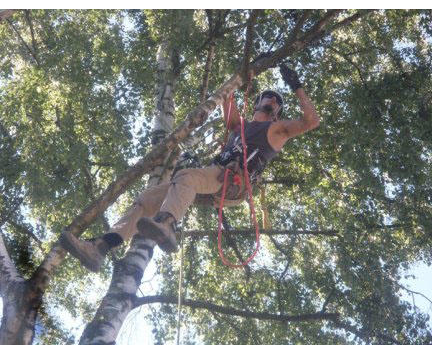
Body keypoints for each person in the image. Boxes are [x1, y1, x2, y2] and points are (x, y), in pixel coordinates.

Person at [61, 64, 321, 272]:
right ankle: (101, 247)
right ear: (257, 102)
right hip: (214, 178)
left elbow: (311, 121)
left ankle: (166, 224)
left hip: (233, 181)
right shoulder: (239, 126)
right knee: (146, 199)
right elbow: (228, 103)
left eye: (276, 102)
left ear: (278, 112)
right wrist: (237, 78)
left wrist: (296, 86)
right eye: (269, 98)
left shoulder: (276, 130)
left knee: (186, 176)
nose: (273, 102)